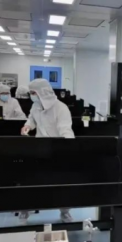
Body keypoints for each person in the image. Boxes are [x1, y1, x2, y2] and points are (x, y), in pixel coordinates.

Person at [20, 79, 75, 223]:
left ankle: (65, 212)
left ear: (42, 92)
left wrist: (68, 148)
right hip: (39, 148)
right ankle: (25, 209)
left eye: (33, 93)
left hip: (57, 150)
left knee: (62, 183)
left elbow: (65, 130)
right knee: (31, 181)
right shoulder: (36, 106)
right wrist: (27, 126)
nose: (31, 96)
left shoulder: (61, 108)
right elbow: (31, 119)